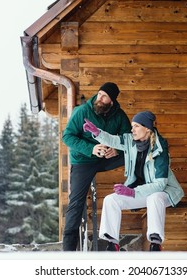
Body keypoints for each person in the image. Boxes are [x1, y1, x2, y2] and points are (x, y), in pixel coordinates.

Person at [83, 111, 184, 251]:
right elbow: (113, 140)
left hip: (165, 192)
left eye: (136, 126)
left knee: (154, 198)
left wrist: (132, 192)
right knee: (111, 200)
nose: (132, 130)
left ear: (147, 128)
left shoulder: (160, 149)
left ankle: (155, 243)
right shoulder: (130, 141)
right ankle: (112, 244)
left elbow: (160, 185)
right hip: (140, 192)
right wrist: (97, 132)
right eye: (132, 126)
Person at [61, 82, 131, 251]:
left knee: (136, 153)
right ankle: (68, 251)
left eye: (104, 96)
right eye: (99, 94)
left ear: (111, 101)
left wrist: (117, 150)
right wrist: (91, 148)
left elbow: (129, 139)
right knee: (76, 203)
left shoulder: (119, 116)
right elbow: (67, 137)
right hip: (83, 161)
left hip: (107, 158)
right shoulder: (82, 111)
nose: (100, 98)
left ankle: (143, 188)